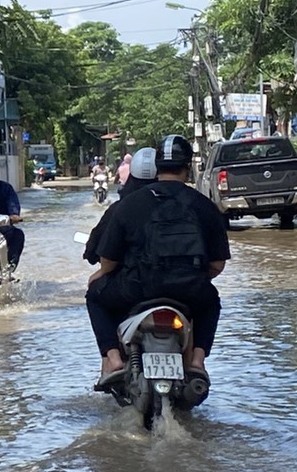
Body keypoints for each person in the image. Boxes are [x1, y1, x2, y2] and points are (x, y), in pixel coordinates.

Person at [86, 133, 230, 394]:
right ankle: (197, 362)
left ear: (158, 167)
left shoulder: (128, 205)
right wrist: (194, 277)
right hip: (190, 291)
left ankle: (115, 360)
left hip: (136, 289)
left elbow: (108, 258)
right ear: (188, 168)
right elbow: (218, 264)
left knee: (94, 297)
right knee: (211, 301)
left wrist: (101, 274)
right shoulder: (204, 205)